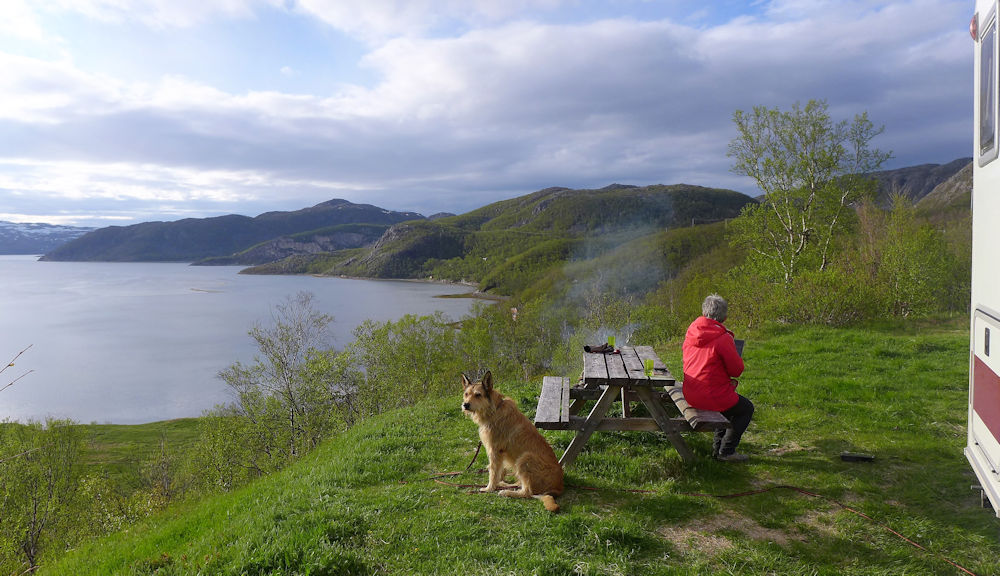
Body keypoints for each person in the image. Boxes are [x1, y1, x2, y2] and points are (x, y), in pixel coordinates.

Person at [682, 294, 754, 462]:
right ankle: (727, 451)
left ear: (703, 311)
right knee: (745, 409)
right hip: (711, 395)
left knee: (728, 406)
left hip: (691, 392)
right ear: (725, 317)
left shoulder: (691, 332)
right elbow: (737, 370)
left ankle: (717, 449)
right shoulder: (722, 338)